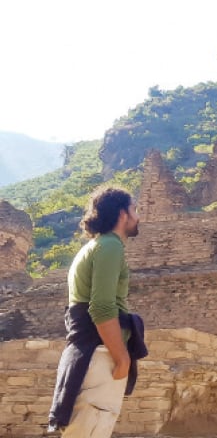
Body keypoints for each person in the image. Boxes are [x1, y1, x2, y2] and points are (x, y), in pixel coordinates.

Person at [48, 187, 147, 438]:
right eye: (134, 210)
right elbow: (102, 308)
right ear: (122, 214)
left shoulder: (95, 246)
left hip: (89, 352)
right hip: (100, 356)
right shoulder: (110, 246)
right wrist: (122, 358)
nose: (138, 216)